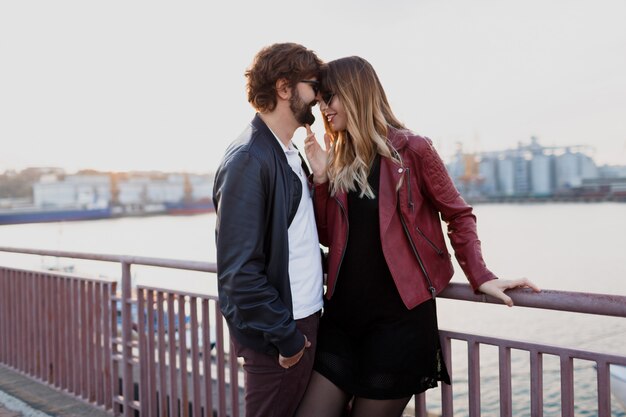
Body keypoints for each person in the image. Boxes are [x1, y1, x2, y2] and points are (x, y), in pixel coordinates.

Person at [295, 56, 541, 417]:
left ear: (356, 92)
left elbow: (458, 214)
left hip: (397, 326)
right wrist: (320, 180)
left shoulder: (413, 150)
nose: (324, 109)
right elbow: (330, 237)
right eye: (320, 102)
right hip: (341, 322)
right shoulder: (338, 159)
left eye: (330, 97)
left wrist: (480, 275)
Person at [212, 42, 326, 417]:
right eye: (314, 86)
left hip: (301, 320)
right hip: (281, 332)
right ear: (284, 88)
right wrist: (288, 339)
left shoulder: (288, 152)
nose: (320, 97)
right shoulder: (249, 158)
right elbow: (239, 273)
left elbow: (301, 239)